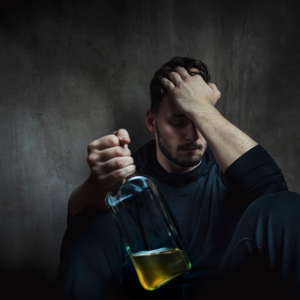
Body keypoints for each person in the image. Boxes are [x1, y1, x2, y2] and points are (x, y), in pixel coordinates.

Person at [55, 57, 300, 299]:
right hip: (149, 292)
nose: (192, 135)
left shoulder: (231, 168)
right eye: (179, 122)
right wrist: (97, 182)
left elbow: (277, 196)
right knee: (89, 224)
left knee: (285, 205)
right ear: (152, 122)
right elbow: (77, 215)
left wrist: (202, 108)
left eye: (199, 119)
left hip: (222, 291)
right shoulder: (129, 169)